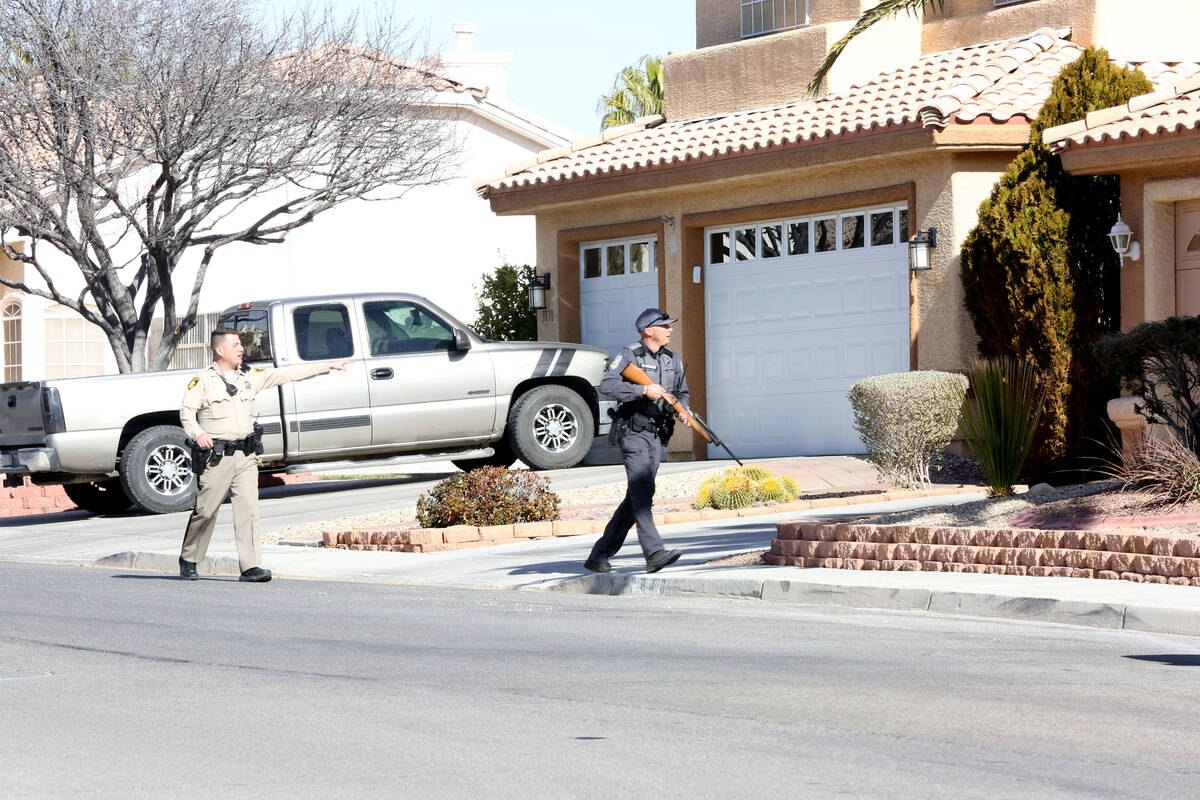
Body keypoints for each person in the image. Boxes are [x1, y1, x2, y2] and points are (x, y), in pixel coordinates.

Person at [178, 328, 348, 582]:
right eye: (235, 344)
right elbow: (187, 412)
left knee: (248, 510)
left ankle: (251, 566)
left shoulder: (250, 376)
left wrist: (326, 366)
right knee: (206, 510)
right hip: (217, 457)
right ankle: (189, 558)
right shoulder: (202, 381)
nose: (241, 349)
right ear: (219, 350)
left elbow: (285, 374)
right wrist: (198, 433)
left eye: (240, 344)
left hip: (245, 457)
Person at [585, 308, 690, 574]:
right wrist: (642, 389)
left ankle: (600, 554)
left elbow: (682, 393)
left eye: (670, 325)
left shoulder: (672, 360)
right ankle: (654, 552)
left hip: (658, 434)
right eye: (665, 325)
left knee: (638, 496)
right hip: (633, 431)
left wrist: (683, 411)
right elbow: (607, 385)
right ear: (648, 331)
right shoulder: (630, 355)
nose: (671, 329)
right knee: (642, 490)